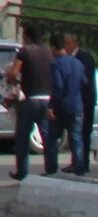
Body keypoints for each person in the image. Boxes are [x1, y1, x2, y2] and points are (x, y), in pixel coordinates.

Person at [5, 24, 53, 182]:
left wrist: (9, 75)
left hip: (31, 100)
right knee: (47, 136)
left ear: (27, 36)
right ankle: (52, 169)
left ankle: (22, 172)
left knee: (22, 137)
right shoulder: (48, 51)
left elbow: (13, 72)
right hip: (48, 99)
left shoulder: (25, 51)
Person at [45, 32, 86, 176]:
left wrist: (51, 107)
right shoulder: (77, 62)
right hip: (77, 106)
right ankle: (80, 168)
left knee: (52, 139)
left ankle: (51, 169)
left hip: (61, 108)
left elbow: (58, 87)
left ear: (54, 47)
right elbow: (84, 82)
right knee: (76, 138)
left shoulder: (56, 64)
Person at [65, 34, 97, 175]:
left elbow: (86, 82)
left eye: (68, 43)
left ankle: (83, 164)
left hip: (85, 102)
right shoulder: (70, 58)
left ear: (75, 43)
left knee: (83, 134)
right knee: (76, 133)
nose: (66, 46)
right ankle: (77, 162)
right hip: (77, 102)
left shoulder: (84, 58)